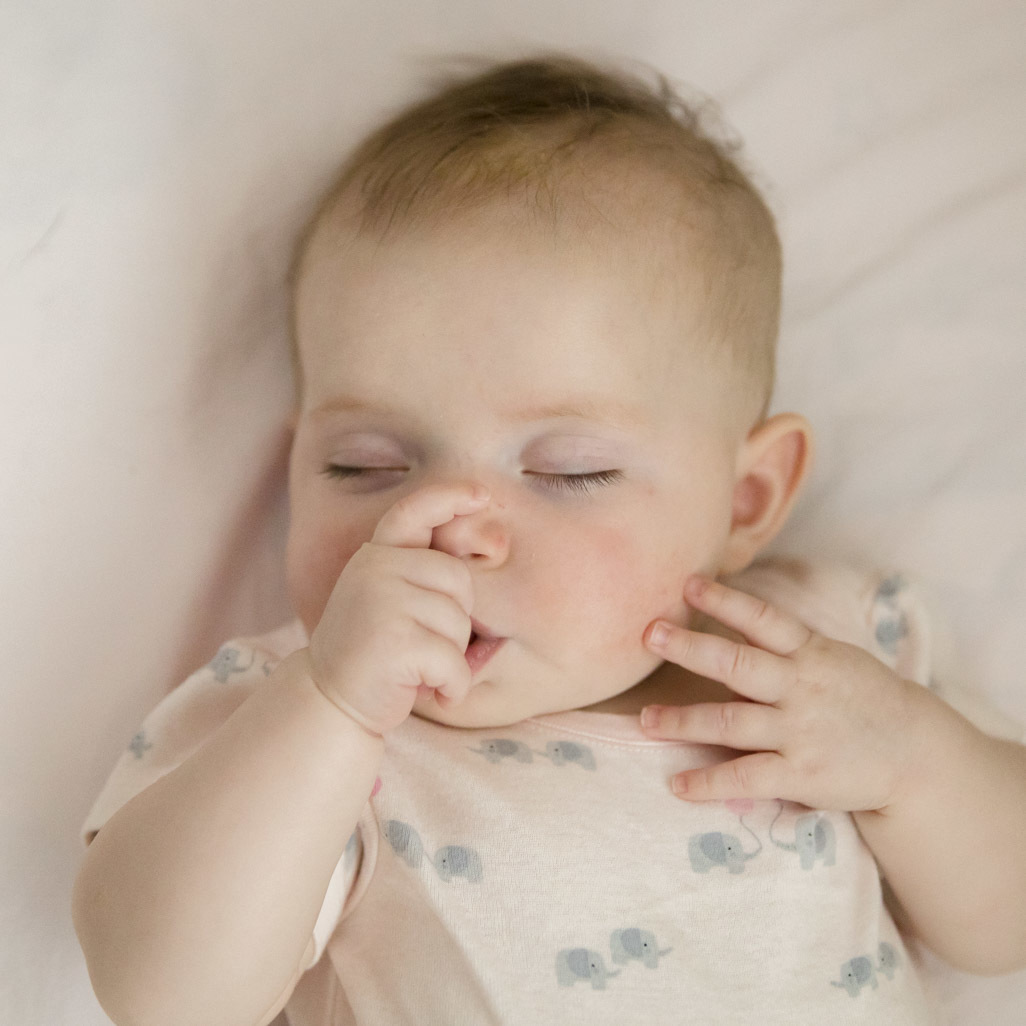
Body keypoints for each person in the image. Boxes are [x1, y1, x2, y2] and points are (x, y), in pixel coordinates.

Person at [71, 50, 1026, 1026]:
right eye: (365, 465)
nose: (447, 528)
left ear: (743, 502)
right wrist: (329, 706)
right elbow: (164, 996)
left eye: (568, 471)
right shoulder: (305, 729)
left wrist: (914, 762)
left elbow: (1004, 930)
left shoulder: (826, 657)